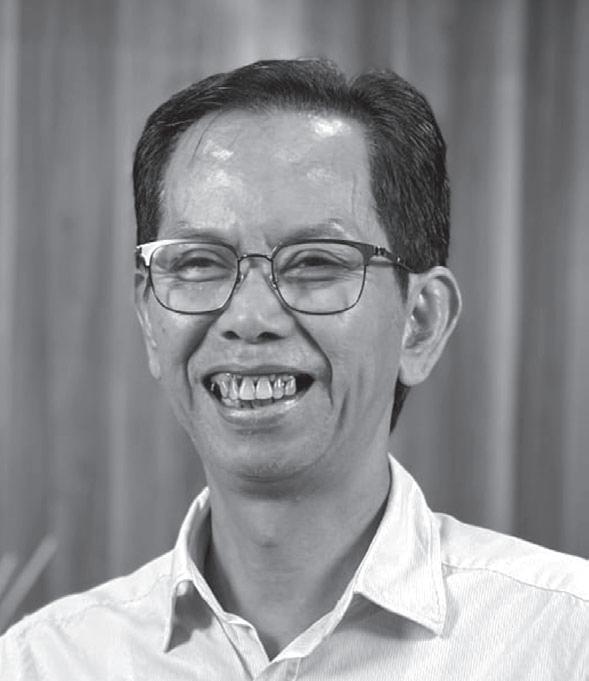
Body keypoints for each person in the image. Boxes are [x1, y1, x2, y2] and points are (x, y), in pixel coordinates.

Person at [1, 58, 587, 680]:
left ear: (420, 322)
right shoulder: (43, 662)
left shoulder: (564, 642)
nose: (249, 318)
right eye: (199, 262)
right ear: (150, 319)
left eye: (316, 262)